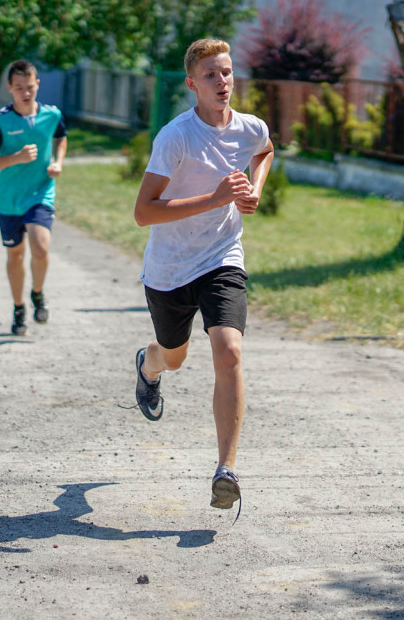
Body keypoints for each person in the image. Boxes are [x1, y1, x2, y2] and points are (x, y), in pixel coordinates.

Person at [132, 38, 274, 514]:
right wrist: (216, 198)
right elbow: (143, 212)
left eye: (228, 72)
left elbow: (265, 150)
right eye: (212, 75)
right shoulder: (176, 137)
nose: (223, 82)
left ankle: (226, 470)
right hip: (169, 269)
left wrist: (252, 190)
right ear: (192, 85)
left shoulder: (250, 127)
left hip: (221, 256)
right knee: (173, 358)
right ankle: (147, 365)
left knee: (229, 350)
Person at [0, 60, 67, 336]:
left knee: (40, 248)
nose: (25, 93)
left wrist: (58, 162)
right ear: (9, 88)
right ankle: (19, 309)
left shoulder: (52, 114)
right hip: (10, 200)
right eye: (19, 88)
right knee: (15, 255)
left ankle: (37, 294)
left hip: (40, 192)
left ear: (37, 84)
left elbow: (61, 137)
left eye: (29, 87)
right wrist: (15, 158)